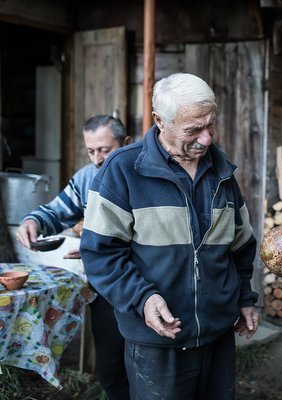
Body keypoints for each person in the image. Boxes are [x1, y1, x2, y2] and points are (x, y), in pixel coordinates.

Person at [79, 73, 260, 400]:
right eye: (193, 129)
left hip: (218, 336)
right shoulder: (123, 170)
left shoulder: (221, 171)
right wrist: (143, 297)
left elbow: (241, 245)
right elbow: (100, 255)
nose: (206, 139)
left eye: (211, 125)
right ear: (160, 121)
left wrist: (245, 297)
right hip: (156, 341)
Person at [15, 115, 132, 400]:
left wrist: (100, 245)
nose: (97, 159)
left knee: (147, 366)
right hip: (107, 287)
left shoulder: (145, 176)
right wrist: (33, 221)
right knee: (110, 368)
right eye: (91, 151)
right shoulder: (87, 177)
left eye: (105, 150)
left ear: (127, 143)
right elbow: (57, 211)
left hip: (148, 282)